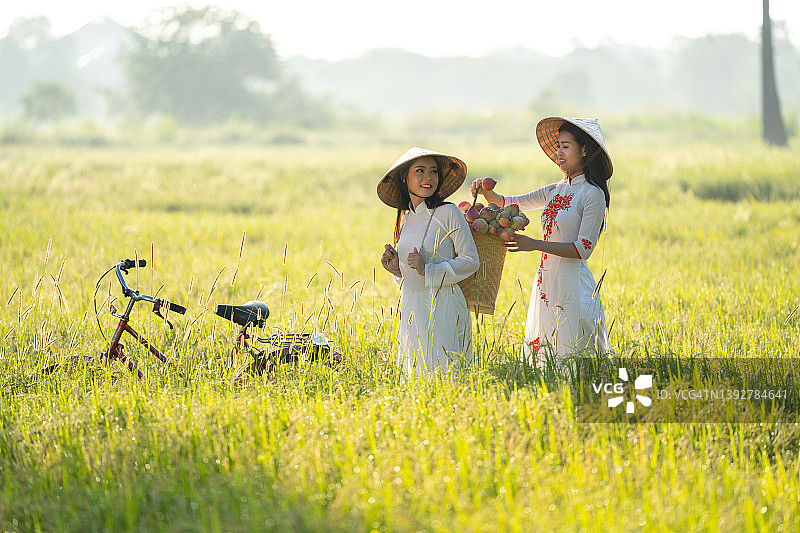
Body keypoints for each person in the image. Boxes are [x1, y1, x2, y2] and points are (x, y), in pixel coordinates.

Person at [471, 117, 612, 366]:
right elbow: (509, 203)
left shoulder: (592, 193)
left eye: (565, 146)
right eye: (558, 146)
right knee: (546, 356)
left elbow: (583, 249)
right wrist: (486, 192)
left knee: (574, 357)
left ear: (584, 150)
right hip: (546, 282)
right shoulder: (554, 190)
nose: (559, 152)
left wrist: (535, 244)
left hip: (574, 284)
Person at [378, 147, 479, 377]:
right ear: (405, 177)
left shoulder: (448, 212)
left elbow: (471, 260)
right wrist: (397, 270)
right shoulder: (406, 219)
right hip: (412, 307)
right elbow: (412, 274)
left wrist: (429, 269)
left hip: (444, 305)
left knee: (445, 373)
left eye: (433, 172)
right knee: (414, 374)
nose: (428, 178)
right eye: (420, 171)